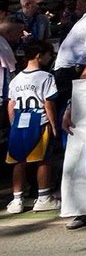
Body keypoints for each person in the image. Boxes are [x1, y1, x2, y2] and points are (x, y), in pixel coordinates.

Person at [5, 40, 58, 214]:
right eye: (49, 54)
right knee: (43, 159)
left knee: (18, 161)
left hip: (19, 120)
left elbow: (11, 104)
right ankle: (44, 197)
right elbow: (48, 103)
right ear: (39, 55)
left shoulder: (16, 80)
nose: (50, 57)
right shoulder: (46, 77)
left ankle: (17, 199)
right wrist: (53, 125)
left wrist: (12, 123)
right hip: (39, 120)